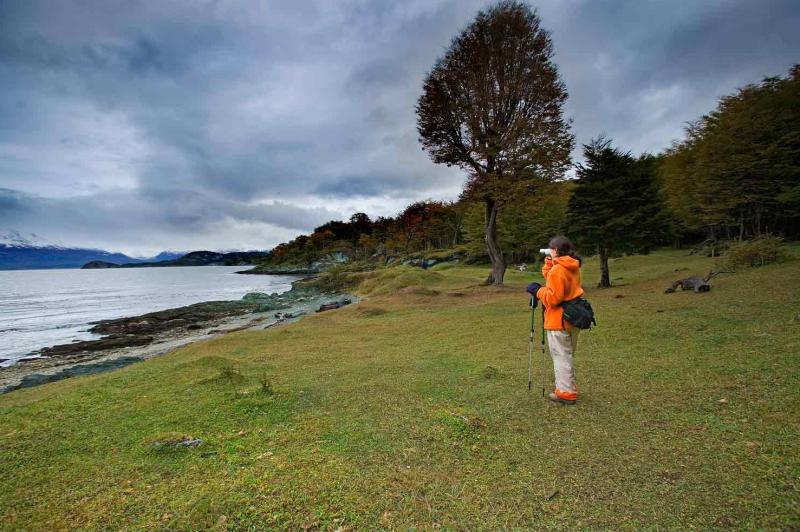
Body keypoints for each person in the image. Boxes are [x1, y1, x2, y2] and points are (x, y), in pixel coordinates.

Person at [526, 235, 584, 405]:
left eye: (551, 249)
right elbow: (552, 278)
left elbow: (553, 298)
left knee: (561, 356)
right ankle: (569, 387)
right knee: (566, 354)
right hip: (572, 317)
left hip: (559, 320)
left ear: (556, 250)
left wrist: (537, 291)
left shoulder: (559, 270)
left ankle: (565, 393)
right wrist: (550, 263)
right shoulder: (571, 265)